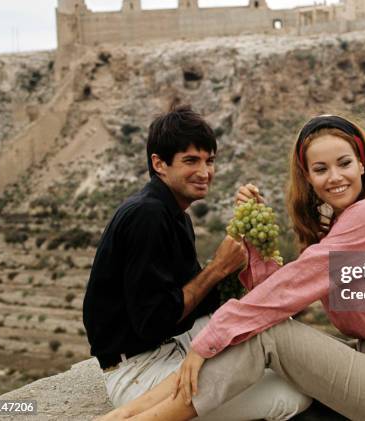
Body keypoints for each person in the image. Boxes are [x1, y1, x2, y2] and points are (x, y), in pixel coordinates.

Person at [100, 114, 365, 421]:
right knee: (262, 328)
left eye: (344, 163)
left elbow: (287, 293)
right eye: (320, 169)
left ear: (363, 164)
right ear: (308, 177)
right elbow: (280, 296)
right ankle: (132, 411)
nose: (334, 177)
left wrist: (206, 342)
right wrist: (255, 241)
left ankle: (140, 416)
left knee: (262, 332)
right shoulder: (343, 222)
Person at [84, 104, 311, 420]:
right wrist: (217, 267)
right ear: (159, 164)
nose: (205, 172)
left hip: (174, 341)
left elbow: (203, 303)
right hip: (140, 368)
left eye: (210, 160)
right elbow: (153, 322)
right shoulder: (147, 216)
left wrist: (247, 239)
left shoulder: (173, 215)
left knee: (267, 338)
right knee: (289, 395)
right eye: (191, 161)